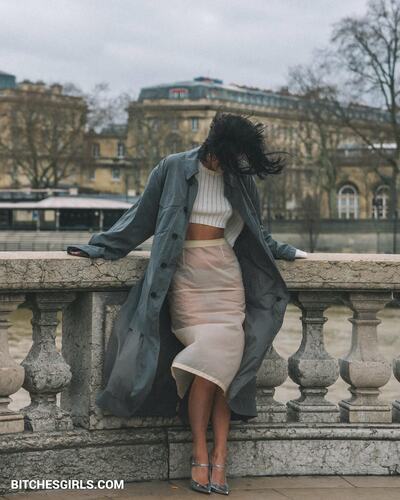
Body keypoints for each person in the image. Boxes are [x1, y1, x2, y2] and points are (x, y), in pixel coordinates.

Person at [69, 112, 307, 495]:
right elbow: (141, 217)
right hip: (186, 281)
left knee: (224, 369)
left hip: (226, 281)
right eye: (235, 154)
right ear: (218, 147)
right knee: (209, 361)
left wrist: (287, 251)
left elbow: (256, 230)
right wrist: (99, 247)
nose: (239, 162)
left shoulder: (240, 177)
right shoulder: (173, 168)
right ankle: (199, 449)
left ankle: (219, 456)